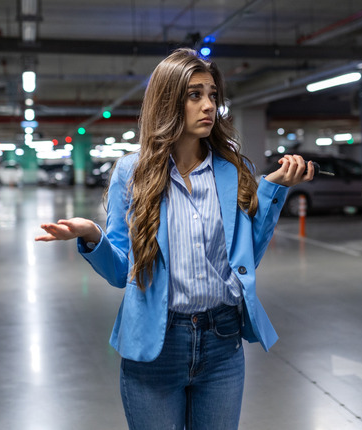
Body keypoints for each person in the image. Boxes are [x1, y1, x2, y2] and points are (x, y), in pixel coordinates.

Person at [35, 48, 313, 430]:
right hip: (155, 344)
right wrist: (92, 236)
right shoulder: (131, 174)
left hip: (222, 342)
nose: (209, 106)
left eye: (213, 95)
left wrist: (273, 190)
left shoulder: (234, 170)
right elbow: (122, 273)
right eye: (194, 95)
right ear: (168, 101)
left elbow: (250, 257)